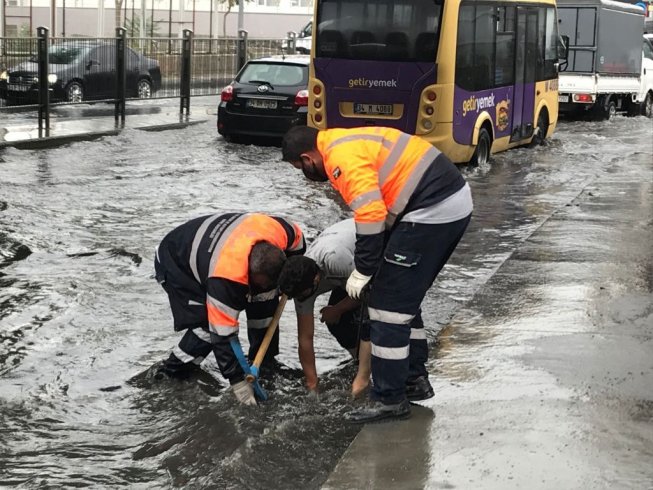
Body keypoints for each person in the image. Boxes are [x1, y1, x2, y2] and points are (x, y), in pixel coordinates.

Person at [282, 126, 473, 423]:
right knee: (403, 302)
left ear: (308, 158)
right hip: (443, 203)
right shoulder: (342, 141)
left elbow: (370, 214)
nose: (305, 174)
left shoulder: (339, 158)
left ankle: (390, 398)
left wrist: (364, 270)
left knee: (386, 307)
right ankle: (414, 380)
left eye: (300, 169)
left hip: (430, 209)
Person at [154, 212, 305, 406]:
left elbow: (298, 251)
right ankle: (172, 372)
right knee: (206, 329)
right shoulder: (225, 280)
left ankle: (264, 363)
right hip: (177, 262)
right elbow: (222, 335)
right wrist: (237, 380)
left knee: (265, 298)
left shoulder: (285, 232)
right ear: (248, 272)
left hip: (218, 245)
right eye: (256, 284)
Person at [278, 219, 371, 396]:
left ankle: (371, 369)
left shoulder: (335, 261)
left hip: (368, 246)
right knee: (335, 323)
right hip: (345, 269)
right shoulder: (300, 286)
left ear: (316, 280)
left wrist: (337, 309)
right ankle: (361, 360)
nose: (300, 300)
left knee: (368, 317)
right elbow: (305, 339)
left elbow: (369, 293)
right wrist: (313, 385)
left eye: (303, 295)